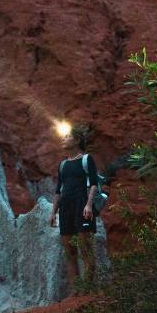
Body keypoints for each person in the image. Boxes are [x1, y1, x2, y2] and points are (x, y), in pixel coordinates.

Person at [49, 122, 98, 291]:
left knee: (85, 249)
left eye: (67, 136)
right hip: (65, 209)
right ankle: (76, 291)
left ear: (77, 140)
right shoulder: (63, 164)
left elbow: (94, 184)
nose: (63, 139)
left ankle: (87, 290)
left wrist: (89, 205)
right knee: (69, 252)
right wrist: (53, 212)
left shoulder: (86, 159)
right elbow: (58, 190)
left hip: (82, 206)